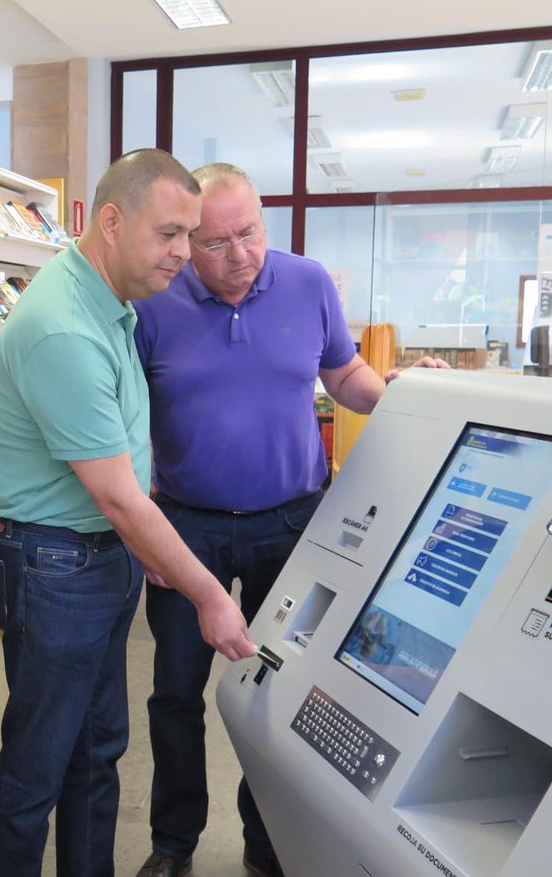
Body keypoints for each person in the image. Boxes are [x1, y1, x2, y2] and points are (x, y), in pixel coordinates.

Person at [132, 163, 448, 877]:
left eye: (250, 233)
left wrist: (398, 389)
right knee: (175, 694)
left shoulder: (308, 284)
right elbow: (124, 422)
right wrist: (140, 523)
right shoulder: (153, 301)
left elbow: (344, 377)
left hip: (296, 524)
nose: (238, 254)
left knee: (283, 684)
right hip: (187, 526)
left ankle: (268, 838)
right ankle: (172, 844)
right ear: (187, 240)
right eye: (215, 242)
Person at [0, 149, 258, 877]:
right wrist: (206, 594)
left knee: (96, 755)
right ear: (111, 221)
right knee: (37, 771)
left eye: (188, 234)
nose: (183, 254)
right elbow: (116, 495)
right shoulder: (64, 327)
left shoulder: (112, 303)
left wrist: (151, 554)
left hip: (93, 560)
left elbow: (125, 463)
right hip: (55, 569)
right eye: (169, 234)